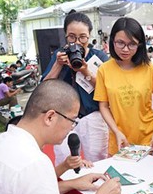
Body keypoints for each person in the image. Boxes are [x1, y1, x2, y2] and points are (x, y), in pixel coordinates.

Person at [0, 80, 121, 194]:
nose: (72, 128)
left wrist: (72, 184)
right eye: (73, 120)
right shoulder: (34, 162)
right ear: (50, 117)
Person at [42, 10, 109, 164]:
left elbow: (107, 90)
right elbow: (44, 88)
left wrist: (85, 71)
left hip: (93, 116)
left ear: (90, 36)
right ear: (65, 35)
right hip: (62, 116)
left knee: (97, 160)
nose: (77, 42)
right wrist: (58, 65)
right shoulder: (59, 55)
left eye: (83, 37)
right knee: (64, 161)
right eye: (72, 37)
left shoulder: (98, 57)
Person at [94, 17, 153, 156]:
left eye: (132, 44)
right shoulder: (104, 70)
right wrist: (116, 131)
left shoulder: (150, 68)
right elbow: (103, 106)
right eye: (120, 43)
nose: (125, 49)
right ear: (112, 41)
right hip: (120, 142)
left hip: (149, 140)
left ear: (140, 44)